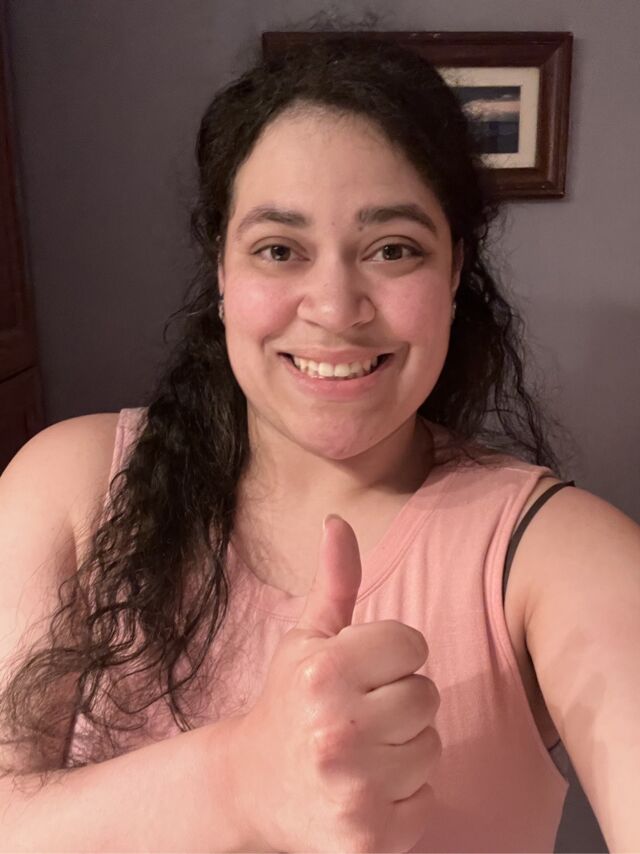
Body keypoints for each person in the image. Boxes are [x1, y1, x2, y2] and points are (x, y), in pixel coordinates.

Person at [0, 34, 638, 854]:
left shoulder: (558, 557)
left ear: (453, 274)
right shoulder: (70, 487)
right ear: (223, 272)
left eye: (393, 249)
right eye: (279, 250)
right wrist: (238, 780)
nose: (335, 308)